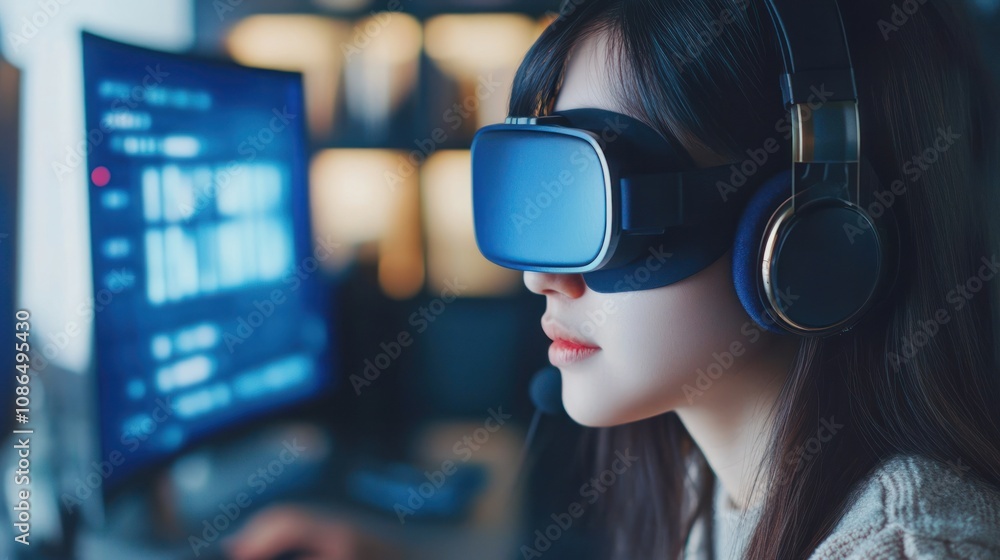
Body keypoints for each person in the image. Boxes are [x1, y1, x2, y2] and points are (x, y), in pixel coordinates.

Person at [228, 0, 1000, 558]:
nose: (542, 280)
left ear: (813, 235)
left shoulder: (910, 546)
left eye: (597, 199)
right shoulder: (717, 478)